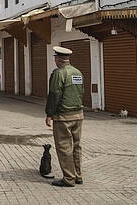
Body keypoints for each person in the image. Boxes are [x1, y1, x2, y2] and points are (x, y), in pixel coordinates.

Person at [45, 46, 84, 187]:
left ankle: (69, 178)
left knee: (64, 147)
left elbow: (54, 94)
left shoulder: (59, 73)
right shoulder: (77, 72)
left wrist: (49, 114)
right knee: (76, 146)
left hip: (63, 117)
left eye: (55, 57)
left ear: (58, 59)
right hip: (78, 115)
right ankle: (78, 175)